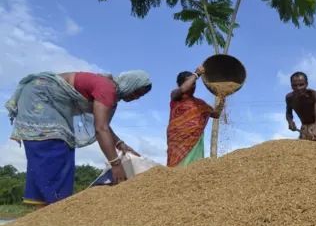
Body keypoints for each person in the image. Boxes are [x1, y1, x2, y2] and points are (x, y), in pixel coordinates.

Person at [5, 70, 152, 209]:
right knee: (55, 149)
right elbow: (101, 129)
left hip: (39, 96)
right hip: (42, 98)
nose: (136, 97)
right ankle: (55, 211)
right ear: (130, 84)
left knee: (52, 153)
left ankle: (42, 214)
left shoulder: (107, 89)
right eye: (137, 92)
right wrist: (115, 164)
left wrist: (120, 144)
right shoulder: (108, 88)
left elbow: (102, 123)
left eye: (141, 96)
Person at [166, 65, 225, 167]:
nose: (193, 85)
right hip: (177, 141)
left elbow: (216, 114)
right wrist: (196, 74)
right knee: (176, 169)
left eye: (194, 83)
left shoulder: (200, 104)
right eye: (190, 82)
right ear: (180, 83)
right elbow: (184, 89)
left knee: (193, 169)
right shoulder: (175, 96)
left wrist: (223, 98)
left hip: (195, 141)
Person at [285, 71, 316, 142]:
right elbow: (288, 113)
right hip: (304, 128)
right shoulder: (289, 98)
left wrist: (315, 131)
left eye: (301, 85)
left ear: (306, 84)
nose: (298, 88)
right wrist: (290, 121)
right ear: (291, 85)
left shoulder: (314, 95)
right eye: (294, 85)